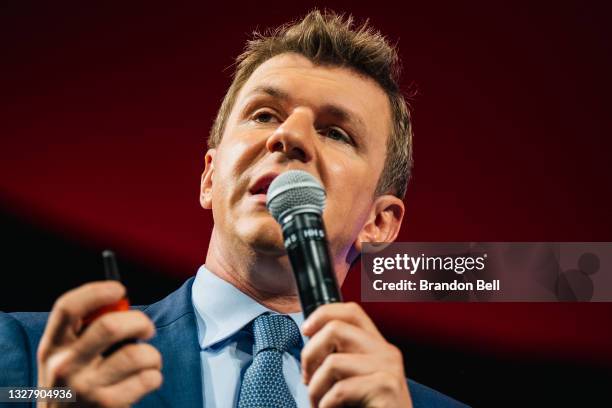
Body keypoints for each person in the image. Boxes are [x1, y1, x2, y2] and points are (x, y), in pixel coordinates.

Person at [0, 10, 467, 408]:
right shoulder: (31, 358)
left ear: (379, 222)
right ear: (209, 177)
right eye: (264, 114)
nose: (289, 137)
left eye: (336, 132)